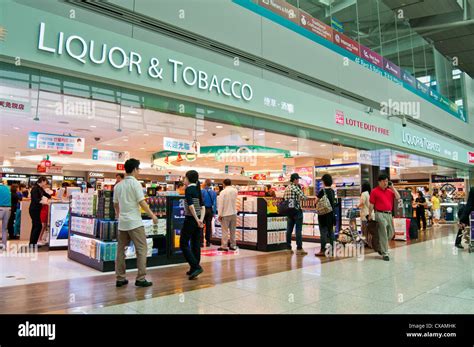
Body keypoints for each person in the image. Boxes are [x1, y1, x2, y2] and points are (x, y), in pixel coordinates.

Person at [114, 159, 157, 288]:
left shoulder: (118, 186)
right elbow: (142, 202)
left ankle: (120, 278)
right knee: (142, 249)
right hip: (135, 223)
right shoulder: (136, 184)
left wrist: (118, 215)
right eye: (138, 169)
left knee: (121, 250)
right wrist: (153, 215)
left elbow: (115, 204)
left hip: (122, 223)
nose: (139, 171)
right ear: (134, 169)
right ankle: (141, 278)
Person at [368, 174, 401, 261]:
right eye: (383, 181)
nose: (385, 183)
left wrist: (392, 187)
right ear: (379, 182)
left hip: (389, 214)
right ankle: (385, 253)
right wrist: (370, 214)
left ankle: (380, 247)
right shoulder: (374, 191)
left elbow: (398, 197)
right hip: (380, 214)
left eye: (386, 181)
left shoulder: (390, 191)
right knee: (383, 232)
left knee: (391, 233)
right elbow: (371, 204)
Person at [180, 170, 206, 280]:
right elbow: (203, 206)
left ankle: (195, 266)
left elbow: (191, 206)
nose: (183, 180)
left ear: (188, 178)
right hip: (198, 219)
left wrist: (196, 219)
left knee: (183, 243)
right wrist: (200, 220)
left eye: (184, 178)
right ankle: (193, 267)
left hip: (191, 220)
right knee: (196, 243)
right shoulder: (197, 189)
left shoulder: (188, 189)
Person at [283, 173, 307, 255]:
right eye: (298, 179)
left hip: (289, 211)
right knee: (298, 230)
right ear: (295, 180)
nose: (298, 181)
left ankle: (288, 248)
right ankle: (299, 248)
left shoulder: (287, 188)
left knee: (289, 230)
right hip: (296, 211)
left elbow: (284, 198)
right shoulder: (295, 187)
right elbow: (304, 197)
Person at [315, 174, 337, 257]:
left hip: (323, 215)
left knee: (323, 232)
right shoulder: (332, 191)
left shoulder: (322, 191)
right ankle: (332, 250)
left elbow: (316, 201)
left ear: (324, 181)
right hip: (331, 214)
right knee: (331, 232)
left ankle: (322, 250)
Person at [29, 177, 51, 246]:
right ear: (42, 181)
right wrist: (45, 203)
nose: (45, 184)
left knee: (36, 226)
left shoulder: (40, 188)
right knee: (38, 226)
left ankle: (32, 243)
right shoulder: (35, 188)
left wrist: (52, 198)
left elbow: (46, 195)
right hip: (34, 209)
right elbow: (36, 199)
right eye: (45, 182)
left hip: (37, 209)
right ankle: (32, 243)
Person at [217, 179, 238, 252]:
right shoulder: (235, 191)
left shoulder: (223, 192)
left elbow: (221, 204)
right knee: (233, 231)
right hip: (234, 213)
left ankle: (224, 246)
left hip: (225, 214)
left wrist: (219, 214)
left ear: (224, 184)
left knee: (225, 231)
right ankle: (233, 245)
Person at [201, 178, 217, 248]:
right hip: (210, 210)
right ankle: (208, 241)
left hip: (203, 209)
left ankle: (201, 242)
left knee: (201, 225)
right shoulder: (214, 192)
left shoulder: (202, 191)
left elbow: (200, 202)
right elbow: (215, 203)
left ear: (205, 183)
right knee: (208, 226)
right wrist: (214, 212)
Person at [0, 181, 11, 248]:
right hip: (8, 209)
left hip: (0, 208)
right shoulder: (7, 188)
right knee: (4, 228)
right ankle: (4, 245)